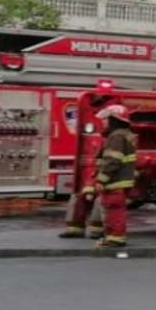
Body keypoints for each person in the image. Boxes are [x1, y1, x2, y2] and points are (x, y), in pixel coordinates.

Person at [61, 104, 136, 250]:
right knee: (111, 209)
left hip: (115, 182)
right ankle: (112, 237)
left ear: (114, 120)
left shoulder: (117, 137)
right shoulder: (124, 135)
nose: (103, 122)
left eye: (106, 119)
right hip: (119, 181)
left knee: (113, 210)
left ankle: (115, 239)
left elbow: (112, 161)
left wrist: (101, 179)